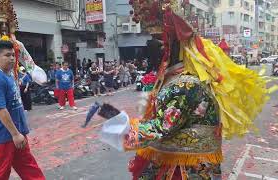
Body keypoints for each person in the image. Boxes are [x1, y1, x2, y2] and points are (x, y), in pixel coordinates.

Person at [95, 1, 271, 179]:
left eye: (158, 42)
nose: (150, 48)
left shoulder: (186, 84)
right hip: (172, 160)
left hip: (186, 168)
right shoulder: (173, 79)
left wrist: (124, 126)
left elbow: (162, 126)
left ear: (171, 47)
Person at [0, 40, 45, 179]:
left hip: (17, 134)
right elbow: (0, 109)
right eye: (7, 55)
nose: (11, 58)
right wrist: (15, 134)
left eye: (13, 55)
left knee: (30, 169)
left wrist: (19, 133)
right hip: (2, 136)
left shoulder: (9, 75)